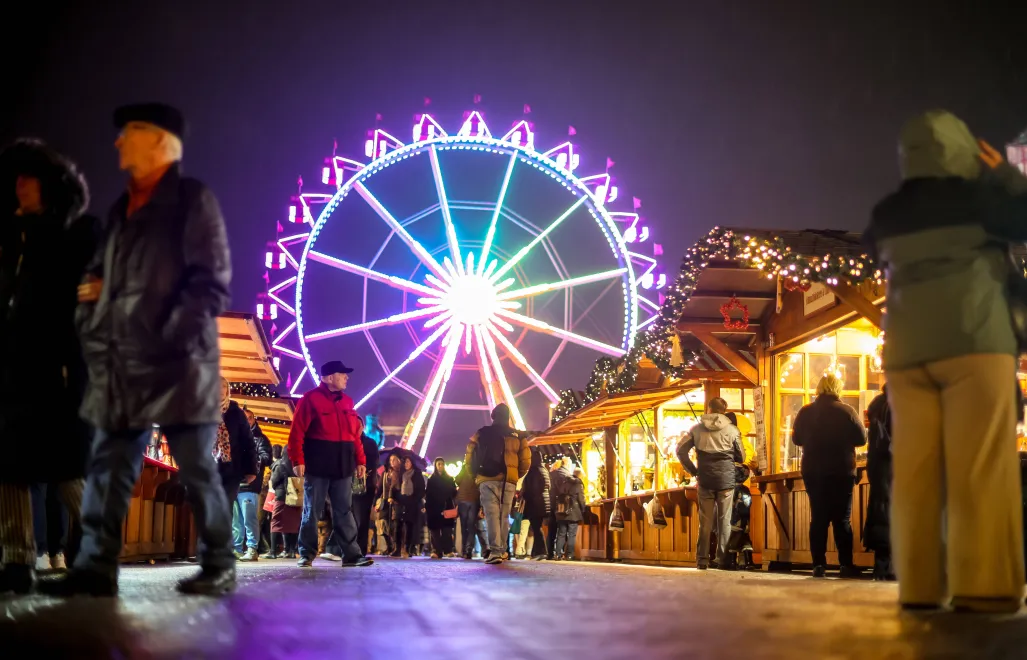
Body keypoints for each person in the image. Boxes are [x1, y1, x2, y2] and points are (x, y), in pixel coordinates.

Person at [42, 104, 237, 597]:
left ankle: (218, 562)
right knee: (107, 467)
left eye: (128, 134)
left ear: (158, 141)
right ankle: (95, 566)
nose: (116, 143)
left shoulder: (192, 200)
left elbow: (209, 281)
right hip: (123, 364)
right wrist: (92, 331)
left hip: (179, 363)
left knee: (195, 467)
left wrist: (169, 337)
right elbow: (95, 283)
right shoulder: (119, 210)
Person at [863, 110, 1027, 612]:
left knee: (915, 472)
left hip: (909, 353)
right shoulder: (981, 199)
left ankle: (920, 585)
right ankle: (983, 585)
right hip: (975, 340)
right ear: (961, 151)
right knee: (979, 468)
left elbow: (874, 251)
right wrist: (1000, 173)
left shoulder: (889, 211)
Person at [0, 139, 96, 594]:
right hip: (14, 364)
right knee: (10, 463)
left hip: (53, 365)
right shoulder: (11, 238)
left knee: (66, 466)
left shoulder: (67, 237)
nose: (21, 186)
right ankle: (17, 558)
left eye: (30, 178)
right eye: (17, 178)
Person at [288, 360, 373, 569]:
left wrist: (360, 460)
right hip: (318, 462)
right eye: (342, 373)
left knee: (344, 510)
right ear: (328, 378)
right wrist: (297, 459)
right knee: (312, 510)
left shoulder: (347, 402)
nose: (347, 377)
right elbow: (297, 432)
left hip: (343, 464)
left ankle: (351, 555)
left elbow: (355, 435)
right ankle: (306, 553)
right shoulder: (310, 399)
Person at [791, 374, 866, 579]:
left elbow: (796, 439)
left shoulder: (806, 411)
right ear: (837, 389)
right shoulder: (846, 411)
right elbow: (861, 438)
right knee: (842, 520)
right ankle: (845, 564)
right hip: (841, 470)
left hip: (813, 471)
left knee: (819, 518)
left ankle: (818, 565)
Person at [676, 397, 743, 570]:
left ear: (708, 409)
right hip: (726, 481)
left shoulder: (696, 429)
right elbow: (741, 456)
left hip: (705, 479)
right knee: (724, 521)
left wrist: (693, 470)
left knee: (704, 522)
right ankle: (723, 560)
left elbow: (680, 451)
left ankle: (702, 560)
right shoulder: (732, 430)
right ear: (724, 410)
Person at [465, 403, 530, 565]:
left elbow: (469, 455)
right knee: (504, 515)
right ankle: (501, 550)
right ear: (508, 416)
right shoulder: (519, 436)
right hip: (508, 480)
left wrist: (475, 476)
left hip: (487, 479)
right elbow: (526, 462)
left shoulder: (482, 433)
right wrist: (515, 475)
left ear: (493, 416)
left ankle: (495, 551)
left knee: (492, 515)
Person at [212, 379, 258, 560]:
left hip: (231, 468)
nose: (221, 391)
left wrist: (251, 469)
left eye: (224, 388)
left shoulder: (236, 413)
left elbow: (248, 442)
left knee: (225, 506)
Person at [863, 386, 894, 581]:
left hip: (878, 468)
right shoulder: (897, 404)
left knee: (882, 512)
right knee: (891, 514)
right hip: (894, 465)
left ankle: (882, 567)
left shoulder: (877, 407)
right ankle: (890, 568)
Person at [231, 404, 269, 560]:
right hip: (235, 484)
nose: (246, 421)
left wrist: (251, 464)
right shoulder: (235, 435)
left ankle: (252, 548)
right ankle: (237, 548)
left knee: (249, 518)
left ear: (254, 420)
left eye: (249, 418)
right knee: (236, 520)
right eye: (244, 418)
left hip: (250, 485)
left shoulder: (260, 439)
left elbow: (266, 457)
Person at [519, 449, 551, 561]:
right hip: (543, 503)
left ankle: (542, 551)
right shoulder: (544, 469)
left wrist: (525, 495)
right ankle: (536, 552)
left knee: (536, 528)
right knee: (536, 527)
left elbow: (532, 489)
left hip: (535, 503)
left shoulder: (534, 471)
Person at [268, 449, 301, 558]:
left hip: (282, 496)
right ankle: (291, 551)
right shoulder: (297, 465)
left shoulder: (280, 464)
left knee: (275, 522)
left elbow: (274, 480)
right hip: (295, 497)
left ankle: (272, 552)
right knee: (293, 524)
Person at [352, 432, 380, 557]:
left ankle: (360, 549)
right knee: (351, 517)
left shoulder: (370, 443)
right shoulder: (350, 440)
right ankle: (352, 548)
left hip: (365, 485)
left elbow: (374, 462)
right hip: (351, 484)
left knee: (362, 519)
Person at [425, 458, 457, 558]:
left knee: (447, 530)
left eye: (442, 464)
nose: (440, 466)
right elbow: (428, 494)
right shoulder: (431, 479)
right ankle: (436, 551)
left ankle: (448, 550)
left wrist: (449, 490)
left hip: (446, 506)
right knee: (435, 531)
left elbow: (454, 492)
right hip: (434, 507)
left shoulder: (449, 478)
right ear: (435, 465)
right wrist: (427, 507)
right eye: (438, 464)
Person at [455, 463, 488, 559]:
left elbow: (457, 480)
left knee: (464, 526)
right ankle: (468, 550)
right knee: (471, 526)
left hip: (463, 499)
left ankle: (464, 550)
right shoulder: (479, 467)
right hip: (474, 499)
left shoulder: (465, 466)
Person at [554, 466, 586, 561]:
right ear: (579, 475)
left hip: (562, 511)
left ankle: (558, 554)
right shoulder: (578, 484)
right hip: (574, 512)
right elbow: (581, 499)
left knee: (561, 533)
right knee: (571, 534)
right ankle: (570, 555)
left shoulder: (564, 482)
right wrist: (583, 509)